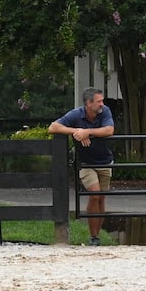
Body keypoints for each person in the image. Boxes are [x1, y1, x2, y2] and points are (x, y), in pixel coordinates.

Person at [49, 88, 116, 246]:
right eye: (99, 101)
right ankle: (93, 237)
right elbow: (53, 127)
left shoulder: (105, 111)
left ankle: (97, 237)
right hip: (86, 164)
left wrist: (88, 132)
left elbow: (109, 130)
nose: (102, 104)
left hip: (104, 161)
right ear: (88, 103)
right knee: (95, 194)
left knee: (101, 198)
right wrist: (77, 132)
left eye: (102, 100)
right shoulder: (76, 114)